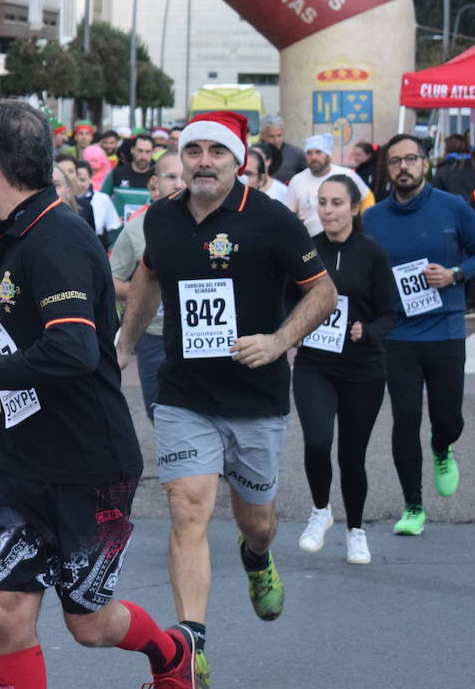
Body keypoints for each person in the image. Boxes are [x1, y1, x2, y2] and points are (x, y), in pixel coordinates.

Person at [0, 100, 197, 689]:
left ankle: (173, 655)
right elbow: (33, 346)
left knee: (89, 623)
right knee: (5, 613)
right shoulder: (14, 238)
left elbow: (72, 351)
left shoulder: (57, 238)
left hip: (89, 463)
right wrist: (2, 372)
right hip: (24, 461)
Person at [116, 111, 337, 686]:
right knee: (188, 507)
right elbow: (148, 278)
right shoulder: (160, 218)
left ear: (238, 161)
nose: (204, 162)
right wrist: (124, 345)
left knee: (255, 520)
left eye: (217, 152)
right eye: (194, 151)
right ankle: (189, 649)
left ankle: (257, 556)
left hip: (256, 396)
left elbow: (324, 293)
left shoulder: (272, 220)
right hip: (184, 393)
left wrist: (279, 341)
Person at [363, 134, 475, 536]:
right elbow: (361, 269)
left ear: (425, 164)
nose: (403, 167)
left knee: (448, 419)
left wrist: (455, 274)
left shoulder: (453, 207)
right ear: (388, 169)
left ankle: (442, 446)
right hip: (398, 334)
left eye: (411, 159)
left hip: (445, 329)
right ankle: (413, 506)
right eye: (395, 161)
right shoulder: (372, 218)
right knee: (405, 418)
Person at [292, 176, 398, 565]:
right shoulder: (307, 251)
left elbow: (391, 314)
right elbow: (286, 300)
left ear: (354, 208)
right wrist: (294, 327)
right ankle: (321, 510)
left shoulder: (373, 253)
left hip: (362, 368)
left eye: (336, 203)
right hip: (314, 364)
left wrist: (366, 331)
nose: (328, 210)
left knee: (352, 455)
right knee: (318, 440)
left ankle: (356, 531)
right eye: (322, 202)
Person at [107, 152, 184, 421]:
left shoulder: (212, 224)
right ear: (155, 183)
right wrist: (146, 290)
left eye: (184, 177)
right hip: (153, 337)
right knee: (159, 414)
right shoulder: (137, 228)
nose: (178, 184)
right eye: (171, 177)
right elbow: (109, 282)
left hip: (200, 336)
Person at [284, 134, 374, 235]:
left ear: (328, 154)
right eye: (309, 153)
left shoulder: (347, 175)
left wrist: (362, 225)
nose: (314, 157)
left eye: (318, 152)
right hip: (310, 241)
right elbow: (288, 214)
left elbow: (367, 198)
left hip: (344, 240)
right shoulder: (297, 180)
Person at [101, 134, 156, 222]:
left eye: (147, 152)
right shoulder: (117, 173)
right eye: (140, 151)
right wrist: (111, 219)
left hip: (148, 229)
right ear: (132, 150)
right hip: (121, 229)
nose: (143, 156)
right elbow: (101, 200)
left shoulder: (157, 177)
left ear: (153, 152)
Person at [258, 115, 306, 183]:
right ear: (262, 135)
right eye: (271, 136)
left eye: (279, 135)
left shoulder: (297, 154)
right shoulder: (253, 154)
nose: (276, 140)